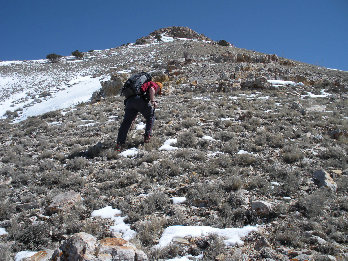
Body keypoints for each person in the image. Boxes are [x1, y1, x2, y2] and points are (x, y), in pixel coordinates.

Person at [116, 80, 162, 151]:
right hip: (139, 99)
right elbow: (152, 89)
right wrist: (153, 101)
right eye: (158, 91)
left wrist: (133, 120)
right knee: (151, 116)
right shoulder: (154, 84)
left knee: (126, 122)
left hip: (129, 101)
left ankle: (119, 144)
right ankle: (147, 137)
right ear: (159, 87)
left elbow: (135, 107)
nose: (157, 93)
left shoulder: (139, 86)